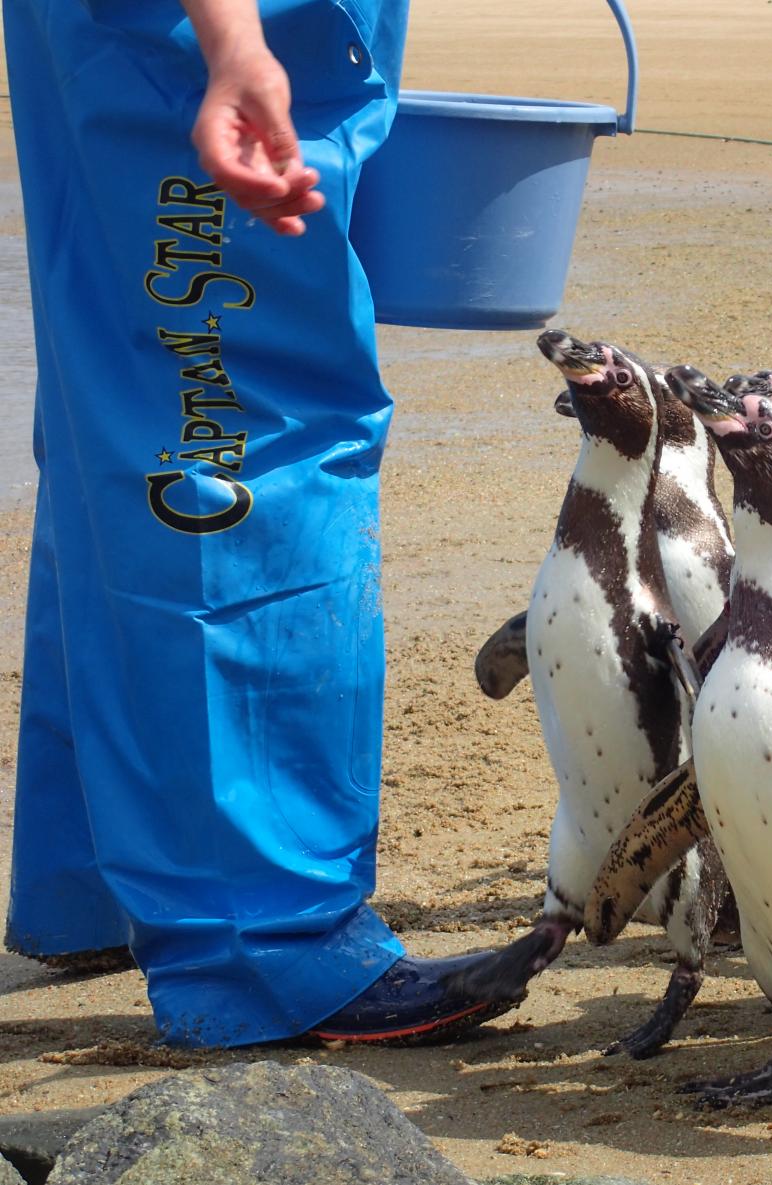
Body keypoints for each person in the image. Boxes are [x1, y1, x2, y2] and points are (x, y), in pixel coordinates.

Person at [4, 0, 513, 1046]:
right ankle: (263, 939)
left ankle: (97, 869)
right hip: (207, 30)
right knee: (236, 425)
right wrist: (233, 41)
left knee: (124, 388)